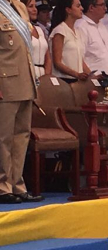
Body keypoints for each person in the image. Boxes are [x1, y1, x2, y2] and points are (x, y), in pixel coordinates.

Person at [0, 0, 43, 204]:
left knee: (21, 136)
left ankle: (17, 184)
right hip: (4, 81)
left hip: (25, 80)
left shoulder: (18, 7)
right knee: (4, 137)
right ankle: (2, 186)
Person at [50, 0, 91, 82]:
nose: (82, 8)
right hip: (64, 80)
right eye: (78, 6)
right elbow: (57, 62)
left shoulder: (77, 31)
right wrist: (76, 74)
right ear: (68, 10)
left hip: (77, 80)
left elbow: (80, 60)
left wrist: (91, 75)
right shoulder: (60, 30)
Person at [76, 0, 108, 76]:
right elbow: (78, 58)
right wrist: (91, 77)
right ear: (91, 7)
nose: (105, 8)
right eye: (102, 5)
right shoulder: (81, 27)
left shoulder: (102, 25)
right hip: (93, 80)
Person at [26, 0, 52, 78]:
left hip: (43, 75)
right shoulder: (19, 30)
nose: (35, 10)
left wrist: (46, 76)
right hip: (28, 75)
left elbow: (48, 58)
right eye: (31, 6)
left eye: (35, 6)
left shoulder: (39, 30)